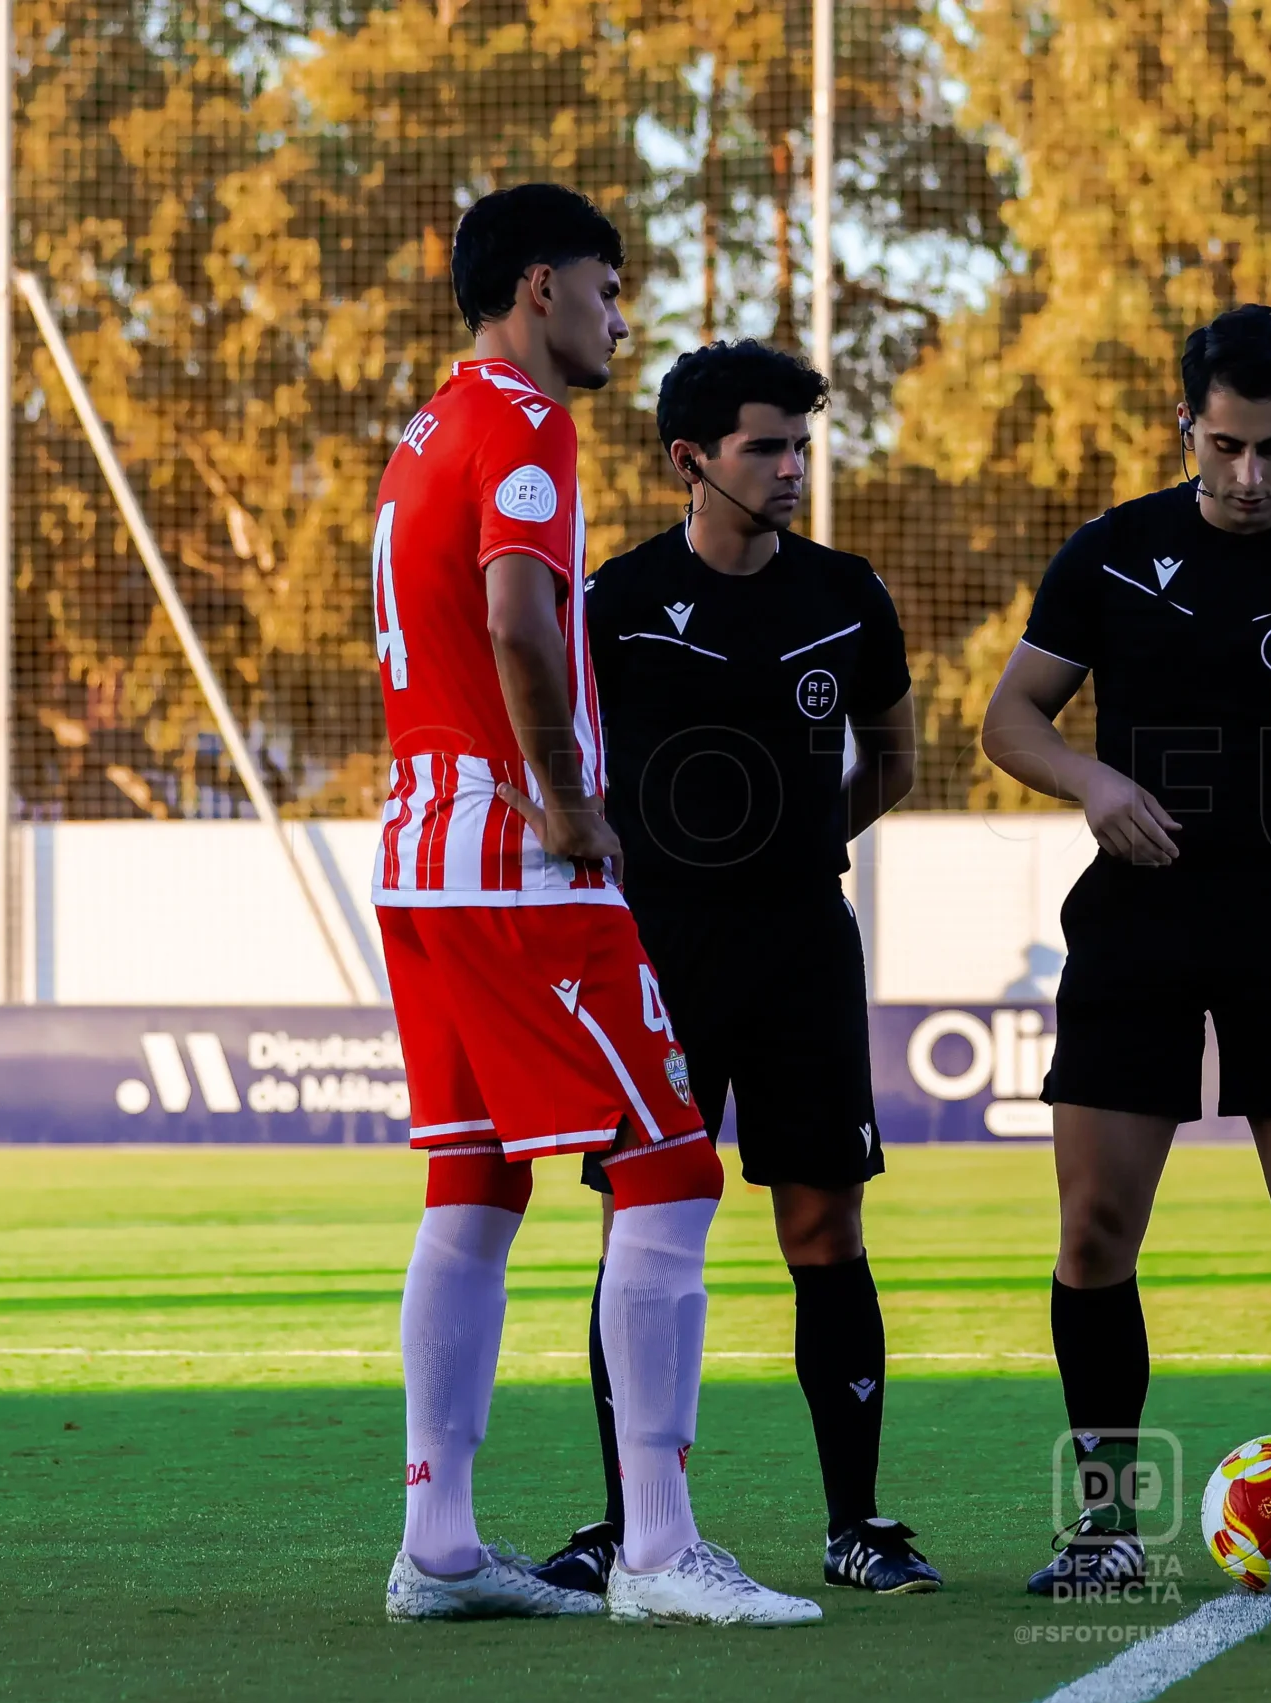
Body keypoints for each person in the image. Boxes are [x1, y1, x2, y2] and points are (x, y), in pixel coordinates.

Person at [372, 184, 817, 1628]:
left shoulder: (426, 430)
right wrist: (568, 801)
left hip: (418, 852)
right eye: (611, 291)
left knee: (475, 1185)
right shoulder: (520, 420)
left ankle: (436, 1541)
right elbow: (513, 614)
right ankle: (659, 1545)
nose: (621, 319)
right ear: (543, 285)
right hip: (517, 859)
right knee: (674, 1171)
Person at [980, 304, 1271, 1595]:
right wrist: (1090, 781)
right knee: (1094, 1231)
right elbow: (1009, 714)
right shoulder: (1113, 551)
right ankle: (1108, 1526)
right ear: (1187, 425)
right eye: (1225, 446)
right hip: (1137, 922)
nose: (1248, 478)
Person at [529, 339, 935, 1598]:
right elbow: (561, 751)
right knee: (644, 1226)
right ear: (687, 461)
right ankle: (625, 1524)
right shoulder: (614, 601)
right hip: (659, 952)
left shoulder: (847, 592)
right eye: (765, 446)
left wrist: (802, 841)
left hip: (804, 942)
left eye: (801, 445)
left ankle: (857, 1525)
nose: (791, 468)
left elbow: (896, 760)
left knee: (822, 1224)